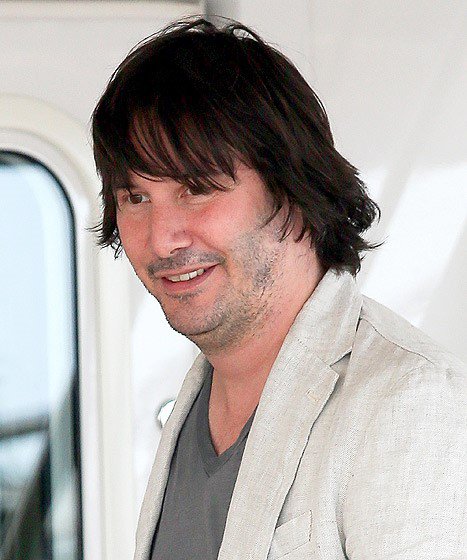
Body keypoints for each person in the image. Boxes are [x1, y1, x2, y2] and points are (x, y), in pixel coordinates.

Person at [91, 17, 467, 560]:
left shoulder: (411, 401)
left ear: (292, 188)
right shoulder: (193, 403)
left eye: (196, 189)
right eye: (135, 198)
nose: (161, 238)